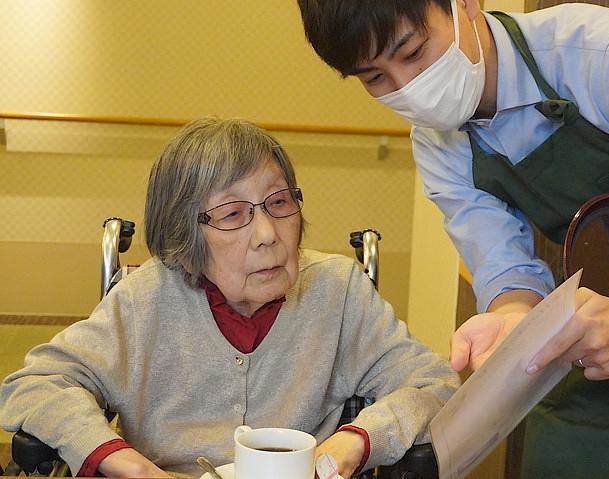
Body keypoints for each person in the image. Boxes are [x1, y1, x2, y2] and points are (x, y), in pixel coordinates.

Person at [297, 0, 609, 476]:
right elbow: (509, 271)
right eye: (375, 78)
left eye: (413, 52)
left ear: (464, 4)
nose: (409, 88)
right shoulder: (436, 144)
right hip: (603, 326)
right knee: (556, 454)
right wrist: (511, 319)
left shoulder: (607, 53)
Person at [0, 118, 459, 478]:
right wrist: (124, 461)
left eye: (279, 203)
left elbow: (432, 384)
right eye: (233, 214)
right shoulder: (146, 299)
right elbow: (35, 384)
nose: (267, 235)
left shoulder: (337, 290)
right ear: (184, 240)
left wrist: (356, 441)